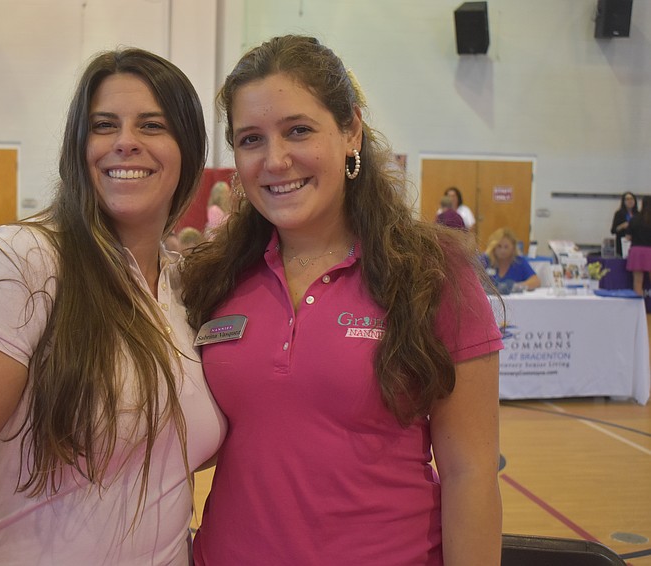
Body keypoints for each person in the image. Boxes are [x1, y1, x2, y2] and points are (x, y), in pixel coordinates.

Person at [0, 47, 225, 565]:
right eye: (104, 125)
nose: (125, 142)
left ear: (189, 150)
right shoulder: (18, 262)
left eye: (152, 125)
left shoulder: (181, 290)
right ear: (78, 146)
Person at [181, 35, 503, 565]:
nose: (275, 160)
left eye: (298, 131)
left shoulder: (431, 273)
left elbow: (470, 474)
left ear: (351, 129)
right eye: (250, 139)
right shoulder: (214, 279)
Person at [626, 195, 651, 297]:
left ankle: (638, 309)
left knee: (637, 282)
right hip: (649, 250)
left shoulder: (634, 219)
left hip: (636, 251)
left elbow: (628, 237)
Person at [611, 191, 637, 257]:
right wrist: (622, 226)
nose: (630, 201)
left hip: (635, 245)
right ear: (623, 201)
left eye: (631, 199)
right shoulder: (619, 214)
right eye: (627, 199)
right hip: (621, 245)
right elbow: (613, 230)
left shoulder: (638, 214)